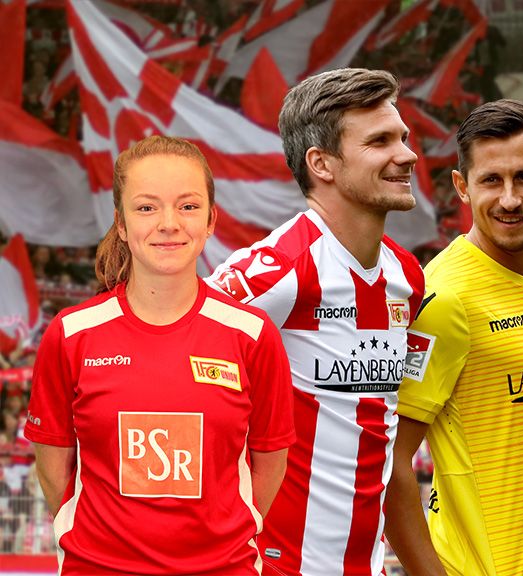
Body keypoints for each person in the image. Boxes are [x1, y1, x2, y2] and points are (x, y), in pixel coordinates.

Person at [25, 135, 294, 574]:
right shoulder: (72, 334)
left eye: (187, 206)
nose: (169, 223)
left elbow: (269, 464)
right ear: (121, 223)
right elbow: (55, 467)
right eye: (147, 207)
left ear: (211, 220)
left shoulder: (252, 334)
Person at [207, 68, 424, 575]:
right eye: (380, 141)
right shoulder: (276, 271)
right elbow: (166, 362)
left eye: (404, 138)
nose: (407, 154)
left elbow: (389, 431)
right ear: (321, 163)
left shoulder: (408, 277)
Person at [384, 99, 523, 575]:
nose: (510, 199)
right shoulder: (443, 297)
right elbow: (388, 461)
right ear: (462, 188)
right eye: (491, 180)